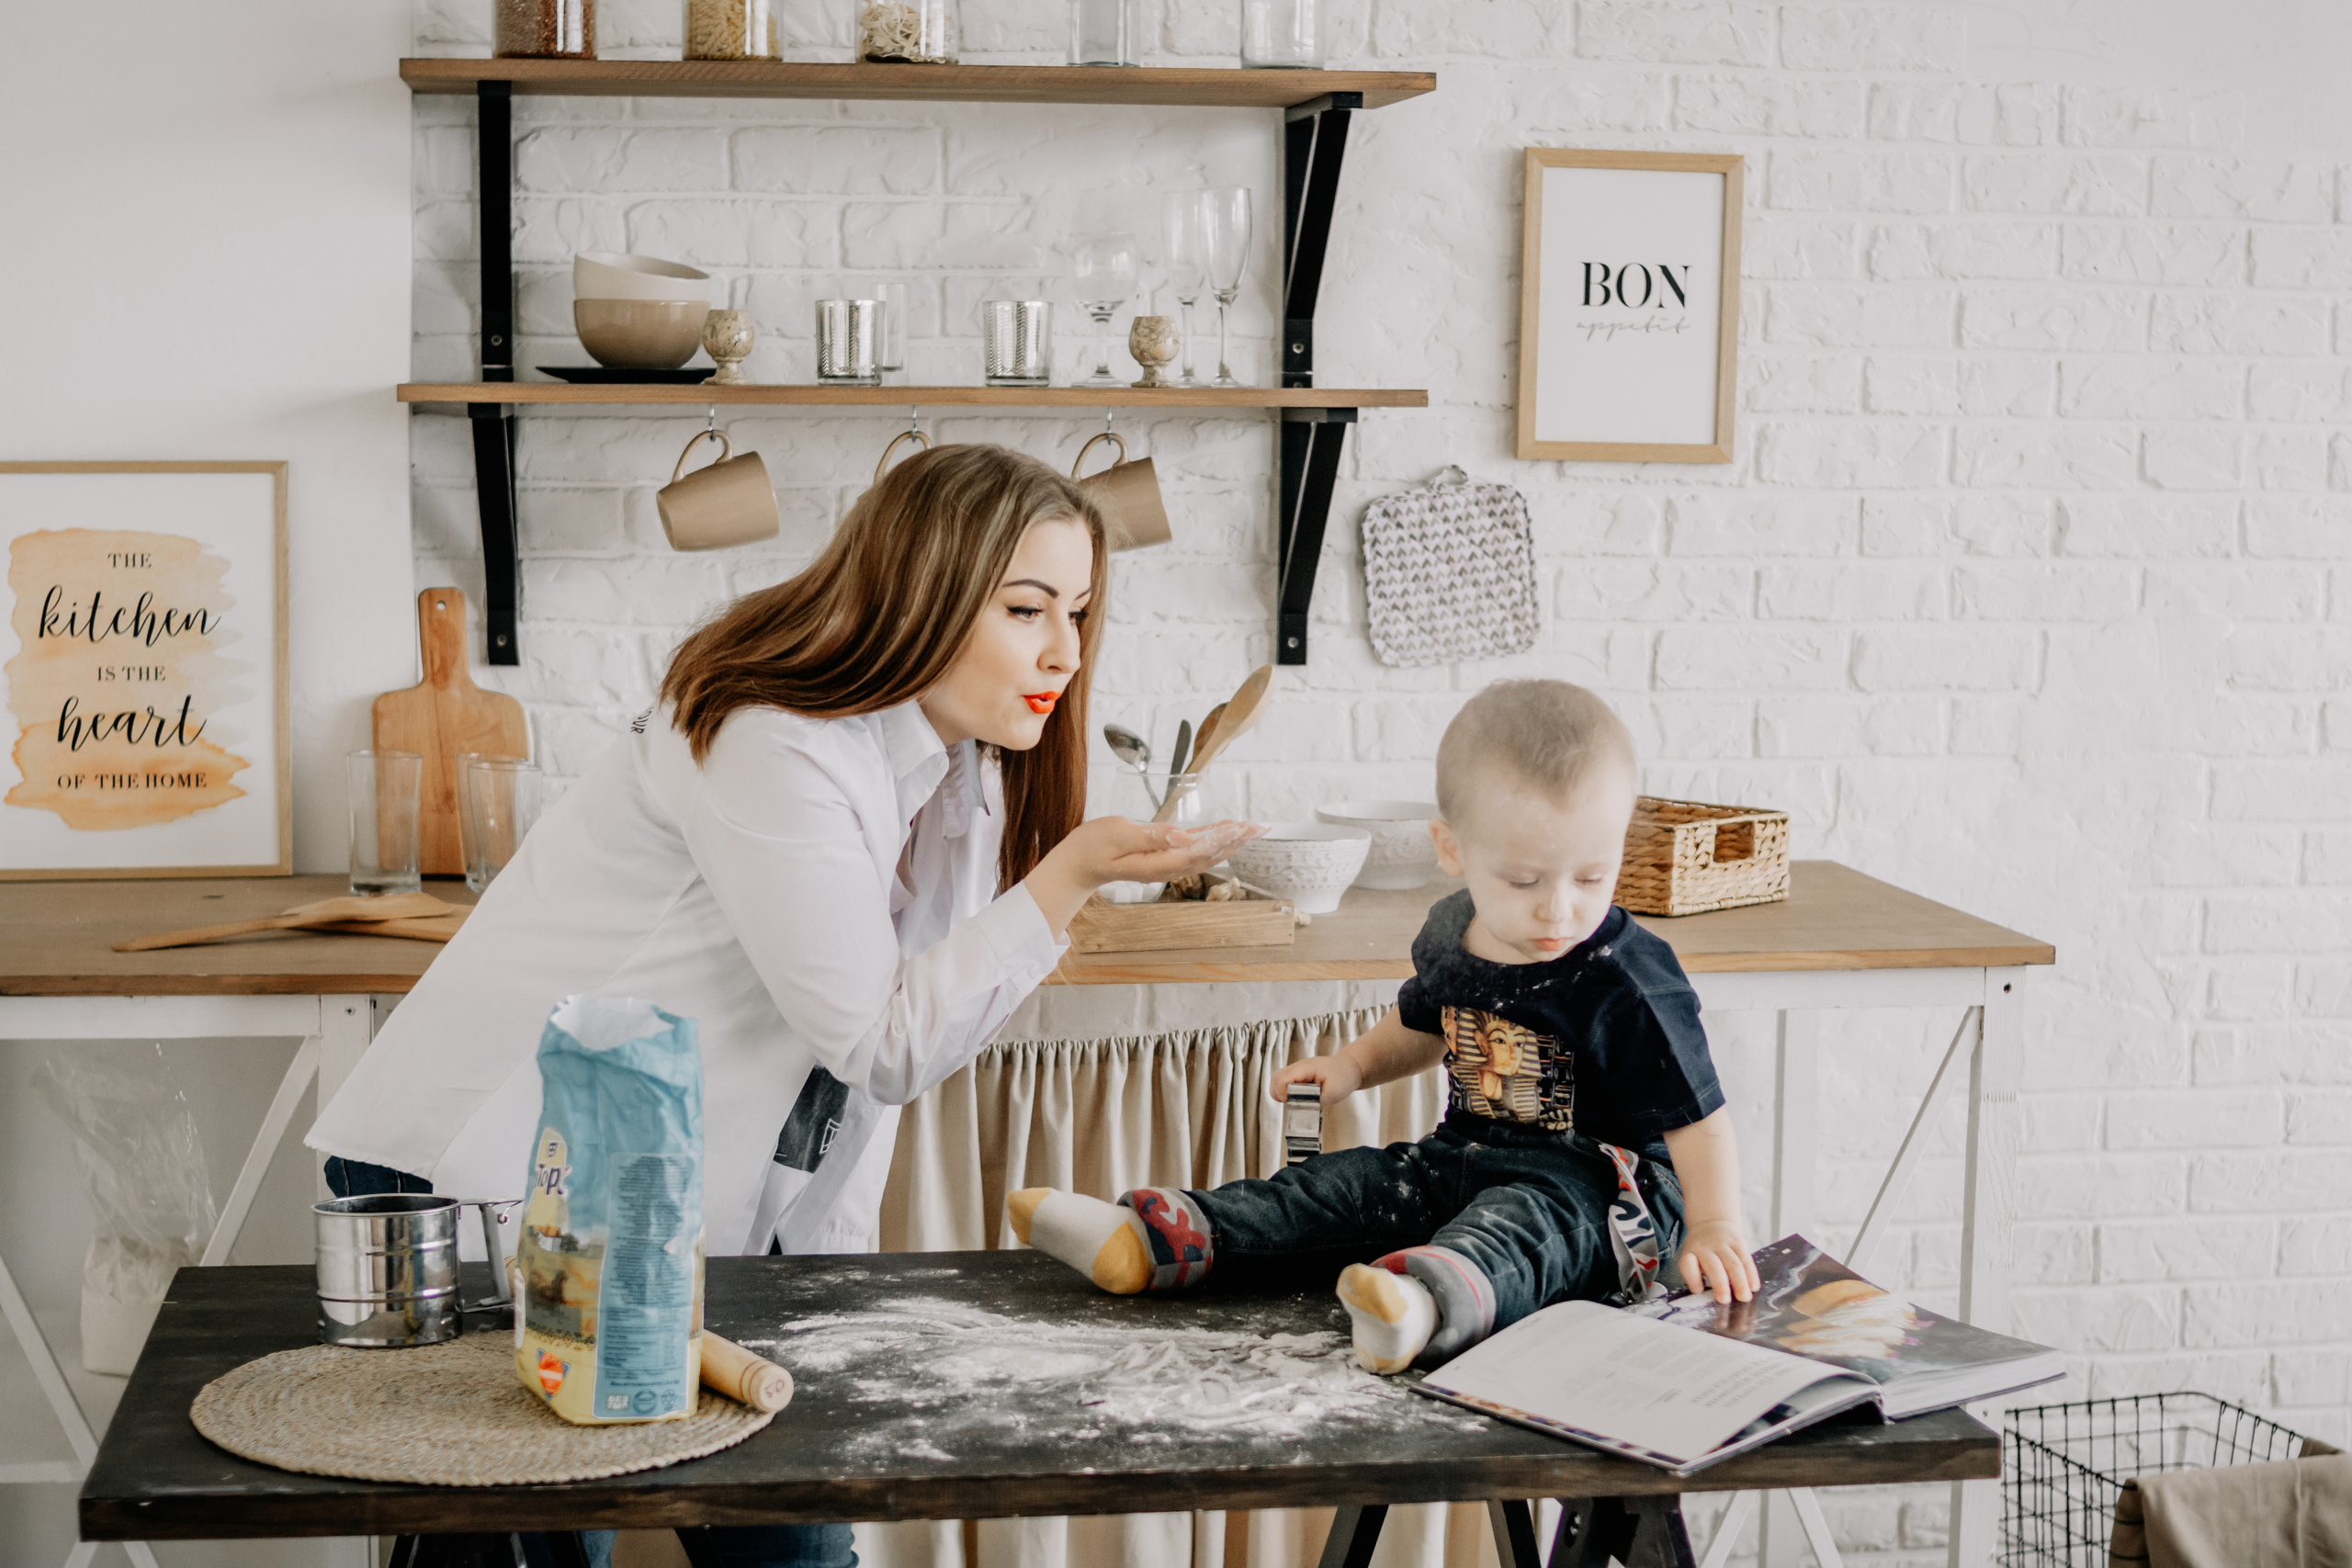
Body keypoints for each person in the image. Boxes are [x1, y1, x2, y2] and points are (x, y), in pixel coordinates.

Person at [307, 444, 1255, 1568]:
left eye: (1081, 612)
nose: (1065, 649)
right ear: (922, 592)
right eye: (1026, 608)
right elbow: (879, 1039)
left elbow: (878, 1056)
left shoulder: (962, 773)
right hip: (492, 1171)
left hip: (684, 1218)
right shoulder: (769, 738)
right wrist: (1066, 882)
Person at [1007, 680, 1760, 1374]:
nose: (1558, 908)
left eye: (1593, 877)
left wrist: (1716, 1220)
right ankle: (1159, 1236)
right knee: (1346, 1186)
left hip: (1600, 1191)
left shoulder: (1627, 977)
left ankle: (1424, 1303)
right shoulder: (1454, 932)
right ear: (1452, 850)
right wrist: (1354, 1068)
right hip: (1462, 1154)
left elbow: (1700, 1117)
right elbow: (1421, 1023)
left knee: (1520, 1227)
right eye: (1524, 880)